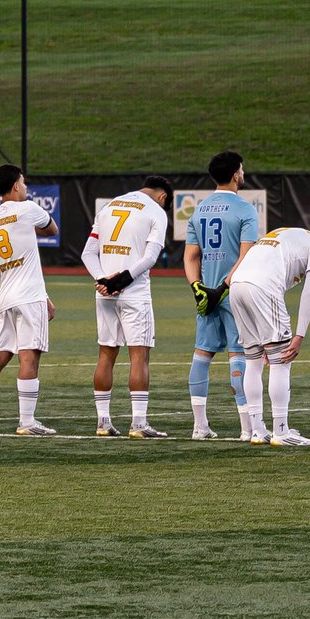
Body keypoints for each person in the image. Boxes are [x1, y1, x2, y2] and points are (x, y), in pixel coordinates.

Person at [224, 223, 310, 447]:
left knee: (253, 360)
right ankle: (281, 431)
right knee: (282, 360)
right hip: (261, 286)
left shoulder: (293, 236)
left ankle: (258, 431)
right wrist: (299, 336)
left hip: (237, 285)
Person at [83, 174, 172, 438]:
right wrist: (122, 279)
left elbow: (87, 253)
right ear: (163, 196)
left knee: (105, 355)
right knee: (139, 357)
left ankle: (102, 423)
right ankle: (139, 424)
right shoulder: (156, 211)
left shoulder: (109, 206)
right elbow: (151, 257)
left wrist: (103, 280)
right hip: (134, 292)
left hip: (104, 293)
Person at [0, 164, 58, 435]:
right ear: (15, 186)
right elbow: (52, 229)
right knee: (29, 357)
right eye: (23, 182)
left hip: (6, 294)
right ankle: (27, 422)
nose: (26, 186)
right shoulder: (28, 209)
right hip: (29, 296)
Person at [182, 152, 261, 441]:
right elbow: (247, 254)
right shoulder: (245, 209)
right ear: (236, 174)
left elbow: (191, 256)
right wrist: (223, 288)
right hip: (234, 293)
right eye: (241, 169)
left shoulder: (198, 210)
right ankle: (246, 428)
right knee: (239, 356)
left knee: (202, 355)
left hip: (207, 294)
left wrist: (198, 288)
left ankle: (199, 426)